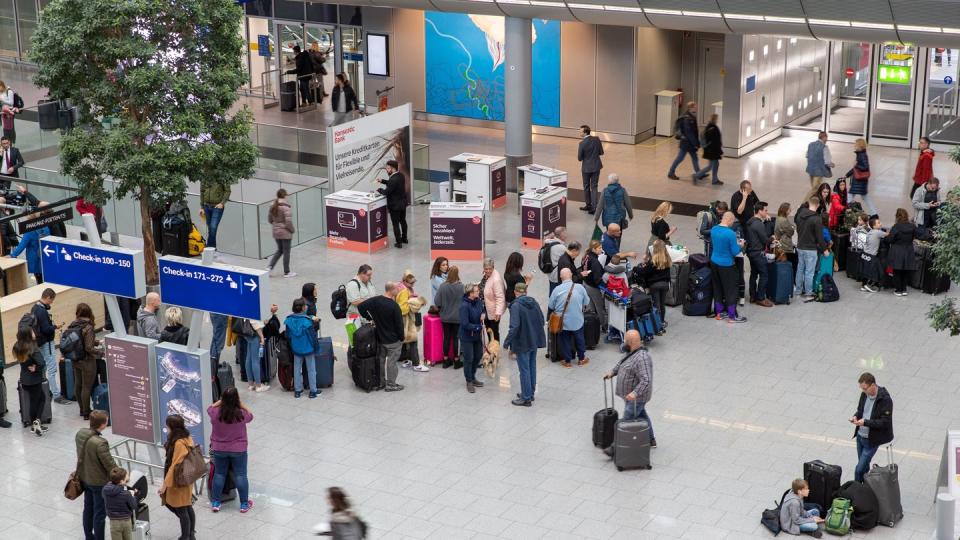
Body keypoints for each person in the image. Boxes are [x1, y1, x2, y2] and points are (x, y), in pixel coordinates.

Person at [603, 329, 656, 451]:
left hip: (637, 398)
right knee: (642, 415)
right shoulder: (631, 352)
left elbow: (646, 380)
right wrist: (612, 372)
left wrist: (634, 393)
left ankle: (614, 448)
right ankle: (651, 439)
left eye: (625, 341)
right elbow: (622, 363)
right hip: (630, 397)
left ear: (631, 342)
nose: (623, 343)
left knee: (625, 421)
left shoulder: (641, 358)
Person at [208, 387, 254, 512]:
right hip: (238, 449)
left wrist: (220, 401)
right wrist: (241, 404)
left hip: (219, 448)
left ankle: (216, 502)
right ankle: (244, 504)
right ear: (236, 399)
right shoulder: (241, 414)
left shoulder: (216, 413)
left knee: (219, 473)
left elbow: (209, 408)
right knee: (240, 475)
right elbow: (251, 415)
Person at [77, 411, 118, 540]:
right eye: (106, 420)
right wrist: (122, 475)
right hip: (98, 482)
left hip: (84, 477)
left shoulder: (80, 433)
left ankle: (89, 536)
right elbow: (110, 465)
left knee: (88, 509)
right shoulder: (100, 443)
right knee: (100, 514)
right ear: (102, 424)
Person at [503, 282, 545, 406]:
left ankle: (525, 397)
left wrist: (507, 342)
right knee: (531, 367)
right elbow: (542, 320)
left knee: (524, 370)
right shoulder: (534, 302)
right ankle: (530, 393)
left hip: (522, 342)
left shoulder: (516, 306)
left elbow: (514, 326)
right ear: (525, 292)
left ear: (515, 292)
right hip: (534, 341)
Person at [358, 283, 405, 392]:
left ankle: (381, 382)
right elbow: (399, 325)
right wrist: (401, 338)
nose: (398, 290)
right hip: (393, 340)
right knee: (392, 362)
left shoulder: (375, 300)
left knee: (381, 360)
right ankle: (391, 384)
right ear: (391, 290)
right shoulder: (394, 306)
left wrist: (369, 318)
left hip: (380, 337)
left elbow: (360, 307)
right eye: (397, 288)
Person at [850, 372, 893, 483]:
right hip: (860, 436)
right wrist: (855, 416)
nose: (863, 392)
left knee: (859, 469)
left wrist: (866, 422)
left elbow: (885, 422)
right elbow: (861, 410)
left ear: (873, 385)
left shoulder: (885, 400)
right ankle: (867, 487)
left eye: (865, 389)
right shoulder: (864, 395)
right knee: (863, 465)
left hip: (872, 440)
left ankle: (857, 490)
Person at [161, 415, 200, 538]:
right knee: (186, 506)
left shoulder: (178, 443)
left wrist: (165, 485)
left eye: (167, 426)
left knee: (181, 509)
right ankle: (190, 533)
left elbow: (175, 464)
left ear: (172, 427)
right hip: (186, 478)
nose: (166, 428)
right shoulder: (186, 437)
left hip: (177, 480)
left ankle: (186, 536)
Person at [28, 288, 65, 403]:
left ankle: (46, 391)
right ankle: (56, 395)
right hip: (47, 343)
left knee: (43, 367)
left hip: (39, 343)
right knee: (52, 369)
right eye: (52, 300)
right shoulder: (42, 311)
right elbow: (46, 329)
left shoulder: (34, 307)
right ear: (48, 297)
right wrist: (56, 327)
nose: (52, 303)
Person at [549, 268, 591, 368]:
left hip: (562, 321)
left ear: (560, 277)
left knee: (564, 339)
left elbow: (551, 305)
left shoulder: (556, 289)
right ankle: (581, 359)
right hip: (577, 319)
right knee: (579, 338)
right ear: (571, 275)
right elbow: (586, 302)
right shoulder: (580, 288)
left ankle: (567, 361)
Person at [710, 212, 747, 323]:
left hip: (714, 261)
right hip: (726, 265)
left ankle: (719, 313)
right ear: (730, 220)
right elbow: (735, 252)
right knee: (731, 290)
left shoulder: (714, 229)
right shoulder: (730, 233)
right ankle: (732, 316)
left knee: (718, 288)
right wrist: (741, 246)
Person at [70, 303, 100, 419]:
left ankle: (82, 409)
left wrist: (96, 342)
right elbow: (88, 347)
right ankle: (87, 412)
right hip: (87, 361)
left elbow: (80, 341)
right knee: (86, 387)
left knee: (78, 384)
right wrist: (101, 353)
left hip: (75, 359)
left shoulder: (73, 324)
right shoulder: (88, 327)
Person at [14, 327, 47, 436]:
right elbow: (42, 363)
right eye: (32, 331)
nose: (34, 332)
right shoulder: (33, 348)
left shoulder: (17, 346)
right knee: (41, 399)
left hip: (24, 379)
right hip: (34, 379)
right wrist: (36, 368)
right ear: (28, 335)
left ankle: (34, 425)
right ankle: (36, 421)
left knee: (33, 401)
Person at [285, 298, 320, 398]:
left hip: (296, 348)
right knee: (311, 369)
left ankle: (298, 390)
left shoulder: (289, 319)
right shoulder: (307, 321)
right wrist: (316, 347)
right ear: (303, 308)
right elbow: (312, 337)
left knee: (297, 369)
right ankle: (313, 391)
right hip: (308, 348)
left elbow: (288, 335)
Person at [794, 197, 828, 298]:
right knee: (809, 271)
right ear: (818, 205)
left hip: (800, 246)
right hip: (811, 249)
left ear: (809, 203)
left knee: (800, 269)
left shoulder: (800, 214)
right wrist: (825, 249)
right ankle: (808, 292)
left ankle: (798, 290)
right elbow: (820, 237)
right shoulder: (817, 219)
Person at [396, 270, 429, 372]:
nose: (412, 285)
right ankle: (416, 364)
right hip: (407, 321)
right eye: (411, 283)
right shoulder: (404, 291)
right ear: (405, 281)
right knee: (413, 341)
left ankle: (407, 360)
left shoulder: (400, 286)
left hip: (402, 321)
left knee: (405, 341)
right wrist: (414, 303)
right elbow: (403, 309)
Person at [633, 240, 672, 324]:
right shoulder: (667, 259)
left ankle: (657, 324)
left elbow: (643, 272)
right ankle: (662, 321)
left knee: (656, 304)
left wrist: (635, 268)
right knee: (662, 304)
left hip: (655, 285)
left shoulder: (653, 262)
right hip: (665, 284)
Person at [433, 266, 464, 369]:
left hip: (445, 317)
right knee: (455, 338)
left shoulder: (443, 286)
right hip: (457, 317)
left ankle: (445, 360)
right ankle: (456, 361)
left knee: (446, 338)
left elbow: (437, 302)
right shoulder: (461, 287)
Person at [458, 283, 486, 393]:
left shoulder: (478, 301)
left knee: (478, 356)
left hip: (476, 336)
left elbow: (482, 309)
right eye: (476, 291)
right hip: (467, 337)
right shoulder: (464, 306)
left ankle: (473, 376)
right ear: (470, 293)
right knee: (469, 359)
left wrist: (483, 313)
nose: (478, 292)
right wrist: (479, 327)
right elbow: (465, 324)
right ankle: (469, 380)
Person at [746, 201, 774, 307]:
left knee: (753, 274)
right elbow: (765, 240)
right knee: (764, 274)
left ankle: (753, 296)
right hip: (758, 252)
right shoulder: (758, 224)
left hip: (751, 251)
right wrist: (772, 238)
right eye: (765, 210)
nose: (767, 212)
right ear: (759, 211)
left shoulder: (750, 221)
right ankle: (761, 298)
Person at [377, 160, 408, 249]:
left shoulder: (393, 179)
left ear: (393, 169)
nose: (386, 170)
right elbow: (393, 184)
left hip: (395, 206)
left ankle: (398, 242)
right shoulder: (400, 176)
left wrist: (380, 190)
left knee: (395, 224)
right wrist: (383, 181)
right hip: (402, 204)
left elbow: (386, 192)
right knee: (403, 221)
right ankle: (404, 238)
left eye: (388, 168)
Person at [667, 101, 701, 180]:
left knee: (695, 158)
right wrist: (695, 143)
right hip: (686, 143)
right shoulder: (687, 118)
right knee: (680, 158)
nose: (696, 108)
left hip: (689, 143)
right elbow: (689, 133)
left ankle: (699, 173)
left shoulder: (691, 116)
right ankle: (671, 173)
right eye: (695, 106)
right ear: (691, 108)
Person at [887, 208, 917, 297]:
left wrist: (887, 236)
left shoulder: (896, 227)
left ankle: (898, 290)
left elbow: (890, 239)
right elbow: (919, 235)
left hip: (897, 251)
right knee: (906, 271)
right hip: (908, 250)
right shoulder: (912, 226)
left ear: (897, 216)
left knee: (897, 271)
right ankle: (904, 289)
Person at [9, 217, 48, 283]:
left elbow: (22, 245)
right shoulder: (45, 226)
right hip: (45, 255)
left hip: (35, 258)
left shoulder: (29, 231)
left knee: (39, 279)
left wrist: (13, 255)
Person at [267, 188, 296, 278]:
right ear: (284, 195)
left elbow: (270, 219)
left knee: (280, 250)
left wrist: (277, 225)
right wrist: (292, 230)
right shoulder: (286, 207)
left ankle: (269, 267)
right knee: (286, 252)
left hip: (276, 232)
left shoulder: (273, 206)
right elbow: (288, 222)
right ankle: (287, 272)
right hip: (285, 233)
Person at [102, 467, 136, 540]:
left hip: (113, 522)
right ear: (121, 481)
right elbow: (133, 506)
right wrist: (132, 496)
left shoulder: (105, 490)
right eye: (126, 477)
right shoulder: (126, 494)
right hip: (126, 521)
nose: (128, 477)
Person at [844, 139, 876, 216]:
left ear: (859, 145)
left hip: (859, 181)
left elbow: (865, 167)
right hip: (860, 181)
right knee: (865, 198)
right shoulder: (860, 154)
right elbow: (855, 169)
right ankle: (874, 214)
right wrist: (847, 175)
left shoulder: (862, 155)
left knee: (850, 196)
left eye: (855, 144)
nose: (854, 145)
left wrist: (856, 165)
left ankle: (845, 212)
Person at [577, 125, 604, 213]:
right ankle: (594, 207)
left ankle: (588, 205)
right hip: (596, 166)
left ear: (585, 132)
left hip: (586, 168)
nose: (579, 132)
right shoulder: (597, 139)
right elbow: (601, 152)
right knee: (594, 186)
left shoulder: (582, 144)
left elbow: (579, 158)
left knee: (586, 186)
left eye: (580, 131)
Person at [693, 113, 724, 185]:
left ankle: (714, 180)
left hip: (710, 150)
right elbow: (715, 142)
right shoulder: (713, 128)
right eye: (717, 119)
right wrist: (720, 151)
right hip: (712, 151)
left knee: (714, 165)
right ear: (715, 119)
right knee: (711, 166)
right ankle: (697, 176)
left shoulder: (709, 127)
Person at [480, 258, 506, 341]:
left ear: (493, 267)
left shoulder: (496, 280)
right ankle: (491, 346)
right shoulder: (487, 275)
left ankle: (495, 351)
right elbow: (485, 285)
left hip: (493, 311)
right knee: (488, 330)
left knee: (494, 332)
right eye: (486, 269)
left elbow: (500, 297)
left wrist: (498, 312)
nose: (488, 271)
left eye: (490, 269)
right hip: (486, 308)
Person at [581, 240, 608, 320]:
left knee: (592, 305)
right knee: (599, 307)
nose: (601, 250)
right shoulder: (595, 262)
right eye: (599, 248)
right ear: (593, 249)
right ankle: (603, 325)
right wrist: (607, 287)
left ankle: (593, 321)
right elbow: (597, 279)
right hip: (593, 287)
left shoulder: (586, 256)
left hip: (586, 283)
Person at [199, 180, 229, 252]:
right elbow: (202, 191)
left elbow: (228, 191)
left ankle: (209, 248)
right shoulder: (205, 176)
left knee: (213, 227)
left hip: (217, 206)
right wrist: (202, 207)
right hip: (206, 206)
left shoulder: (221, 174)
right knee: (210, 228)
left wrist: (222, 203)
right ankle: (212, 248)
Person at [859, 216, 886, 293]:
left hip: (864, 254)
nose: (881, 224)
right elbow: (888, 234)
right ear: (874, 226)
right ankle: (869, 285)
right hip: (871, 256)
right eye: (879, 223)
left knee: (866, 271)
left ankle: (863, 285)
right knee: (878, 271)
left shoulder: (870, 232)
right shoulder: (878, 232)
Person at [774, 203, 798, 277]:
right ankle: (791, 282)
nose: (790, 210)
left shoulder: (778, 218)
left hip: (780, 245)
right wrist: (792, 228)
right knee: (792, 264)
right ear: (785, 210)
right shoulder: (784, 220)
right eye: (789, 209)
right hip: (785, 246)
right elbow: (790, 232)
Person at [544, 227, 569, 295]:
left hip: (549, 271)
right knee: (555, 293)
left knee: (552, 290)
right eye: (565, 233)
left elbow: (545, 240)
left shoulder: (548, 242)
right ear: (562, 235)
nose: (567, 235)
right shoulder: (561, 248)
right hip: (556, 275)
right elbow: (570, 257)